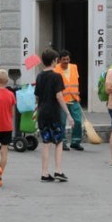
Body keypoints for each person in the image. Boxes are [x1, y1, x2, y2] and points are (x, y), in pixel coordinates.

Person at [34, 48, 73, 182]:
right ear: (54, 61)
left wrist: (37, 110)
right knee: (58, 141)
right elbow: (59, 96)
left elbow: (37, 97)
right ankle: (58, 170)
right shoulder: (56, 76)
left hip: (43, 113)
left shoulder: (39, 76)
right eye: (56, 60)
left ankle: (44, 173)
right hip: (54, 113)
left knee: (46, 142)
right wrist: (68, 113)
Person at [53, 50, 84, 151]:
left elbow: (75, 81)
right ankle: (63, 142)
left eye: (67, 59)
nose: (66, 61)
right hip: (62, 100)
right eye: (64, 59)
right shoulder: (55, 69)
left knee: (78, 121)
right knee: (62, 122)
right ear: (59, 60)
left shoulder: (74, 67)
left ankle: (75, 142)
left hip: (74, 99)